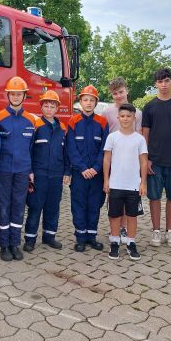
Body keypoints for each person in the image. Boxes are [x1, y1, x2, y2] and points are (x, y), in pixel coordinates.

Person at [141, 68, 171, 248]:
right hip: (155, 162)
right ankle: (156, 231)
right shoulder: (149, 106)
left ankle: (170, 232)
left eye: (167, 80)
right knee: (154, 197)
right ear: (156, 84)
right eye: (160, 81)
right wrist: (145, 160)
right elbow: (144, 136)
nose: (163, 84)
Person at [0, 76, 37, 262]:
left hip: (22, 171)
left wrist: (31, 170)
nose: (16, 97)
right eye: (13, 94)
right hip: (3, 170)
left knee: (18, 207)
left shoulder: (31, 121)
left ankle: (14, 244)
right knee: (4, 207)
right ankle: (4, 245)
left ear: (24, 95)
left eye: (19, 94)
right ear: (8, 95)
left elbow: (33, 149)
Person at [23, 90, 71, 252]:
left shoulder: (62, 128)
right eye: (46, 105)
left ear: (57, 108)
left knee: (53, 207)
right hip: (39, 174)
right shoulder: (36, 126)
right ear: (41, 107)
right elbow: (28, 150)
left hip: (56, 175)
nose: (49, 109)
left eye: (52, 106)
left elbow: (66, 153)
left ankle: (49, 237)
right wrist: (29, 170)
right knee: (35, 206)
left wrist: (67, 171)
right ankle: (30, 239)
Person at [66, 85, 109, 252]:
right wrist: (83, 168)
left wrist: (96, 168)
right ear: (80, 102)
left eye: (92, 100)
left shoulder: (102, 122)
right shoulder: (73, 121)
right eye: (85, 100)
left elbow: (105, 148)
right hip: (79, 174)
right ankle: (80, 238)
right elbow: (71, 149)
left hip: (96, 174)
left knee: (94, 204)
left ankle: (92, 236)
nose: (89, 103)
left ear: (96, 102)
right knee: (78, 204)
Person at [103, 104, 148, 261]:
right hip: (115, 184)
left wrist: (143, 183)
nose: (125, 119)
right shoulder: (112, 137)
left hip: (133, 185)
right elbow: (107, 160)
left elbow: (143, 162)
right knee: (114, 215)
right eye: (122, 116)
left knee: (132, 215)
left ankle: (131, 242)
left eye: (129, 116)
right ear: (118, 118)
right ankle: (114, 242)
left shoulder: (139, 139)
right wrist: (106, 180)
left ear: (134, 118)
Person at [101, 77, 142, 244]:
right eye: (115, 93)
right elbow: (104, 137)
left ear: (127, 90)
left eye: (121, 92)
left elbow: (140, 137)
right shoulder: (107, 112)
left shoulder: (138, 113)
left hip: (130, 161)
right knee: (114, 194)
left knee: (129, 195)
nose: (118, 96)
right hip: (113, 160)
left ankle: (125, 227)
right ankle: (115, 228)